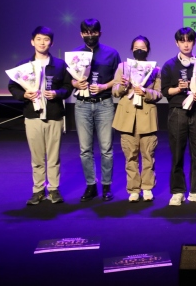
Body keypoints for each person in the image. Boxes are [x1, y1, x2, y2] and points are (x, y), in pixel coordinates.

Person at [8, 26, 72, 205]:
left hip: (54, 115)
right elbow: (12, 86)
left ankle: (53, 189)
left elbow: (68, 87)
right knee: (36, 157)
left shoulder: (59, 65)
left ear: (51, 42)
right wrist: (24, 95)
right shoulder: (24, 65)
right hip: (32, 115)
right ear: (32, 42)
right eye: (38, 39)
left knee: (53, 156)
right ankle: (37, 190)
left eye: (46, 39)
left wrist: (57, 93)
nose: (42, 43)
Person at [72, 19, 121, 202]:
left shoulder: (111, 53)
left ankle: (106, 186)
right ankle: (91, 186)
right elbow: (69, 79)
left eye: (93, 32)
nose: (90, 35)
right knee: (85, 149)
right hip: (82, 104)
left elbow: (119, 78)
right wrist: (76, 83)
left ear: (99, 33)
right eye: (86, 32)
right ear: (81, 34)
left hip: (104, 103)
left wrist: (104, 86)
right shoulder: (75, 54)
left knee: (106, 149)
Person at [112, 36, 162, 202]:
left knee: (148, 155)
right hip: (127, 118)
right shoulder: (123, 67)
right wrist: (123, 85)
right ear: (132, 49)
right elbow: (115, 91)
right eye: (136, 47)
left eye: (143, 47)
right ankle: (133, 189)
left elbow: (159, 93)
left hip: (147, 117)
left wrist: (146, 92)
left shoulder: (155, 69)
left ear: (148, 49)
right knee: (130, 156)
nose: (139, 50)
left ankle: (147, 187)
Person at [161, 28, 196, 206]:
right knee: (177, 153)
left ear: (194, 42)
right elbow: (165, 91)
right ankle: (177, 191)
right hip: (177, 111)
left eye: (189, 40)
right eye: (182, 41)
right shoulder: (169, 65)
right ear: (177, 43)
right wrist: (178, 88)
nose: (186, 44)